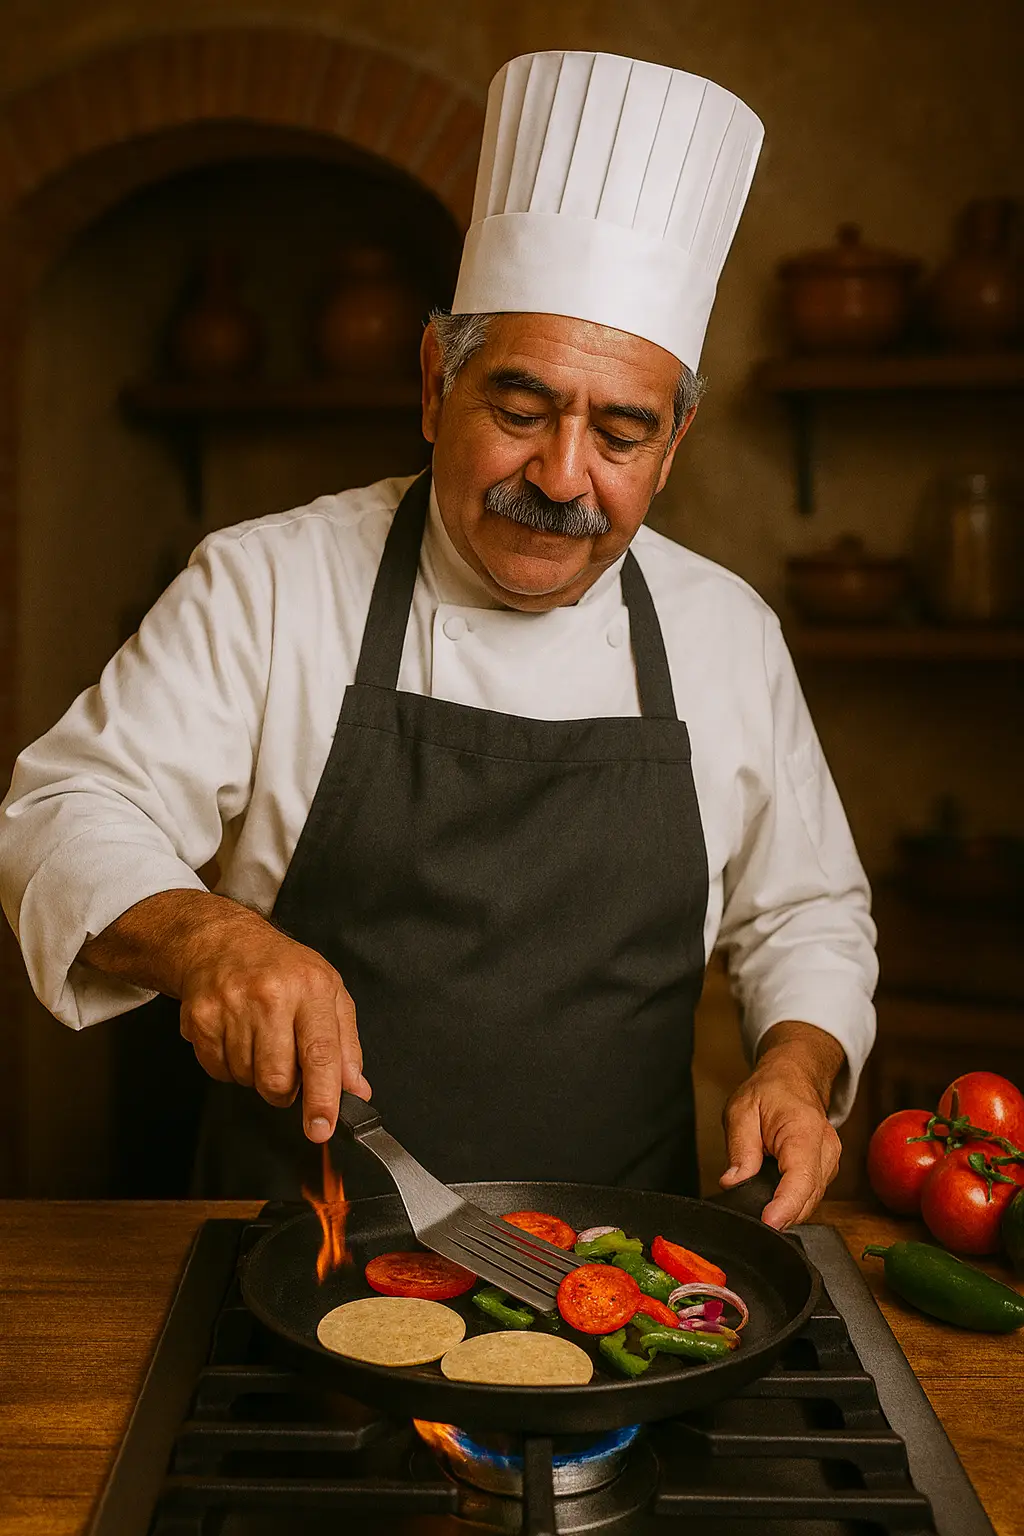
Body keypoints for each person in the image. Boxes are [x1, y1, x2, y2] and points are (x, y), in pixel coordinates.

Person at [0, 50, 876, 1224]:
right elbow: (62, 813)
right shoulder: (268, 581)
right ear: (432, 382)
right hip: (290, 1257)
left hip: (616, 1281)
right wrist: (204, 936)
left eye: (620, 436)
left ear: (675, 447)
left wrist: (796, 1064)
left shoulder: (726, 632)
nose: (560, 476)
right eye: (518, 411)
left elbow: (805, 910)